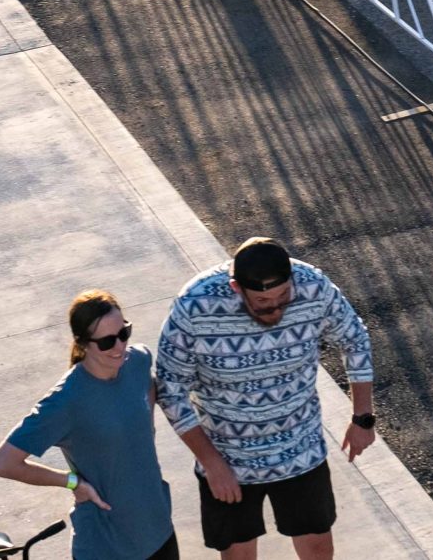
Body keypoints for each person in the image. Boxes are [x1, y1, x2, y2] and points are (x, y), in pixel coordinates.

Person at [155, 237, 376, 560]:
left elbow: (355, 339)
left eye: (283, 297)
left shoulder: (313, 285)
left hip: (301, 451)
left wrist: (363, 417)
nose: (275, 309)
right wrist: (211, 463)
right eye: (262, 302)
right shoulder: (195, 305)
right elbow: (170, 387)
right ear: (235, 287)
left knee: (318, 548)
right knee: (238, 555)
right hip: (229, 461)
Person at [0, 290, 181, 560]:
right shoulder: (66, 400)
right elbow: (3, 463)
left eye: (124, 333)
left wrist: (142, 428)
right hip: (107, 547)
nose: (119, 347)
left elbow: (146, 390)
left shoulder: (137, 361)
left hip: (158, 529)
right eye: (106, 342)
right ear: (83, 344)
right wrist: (71, 482)